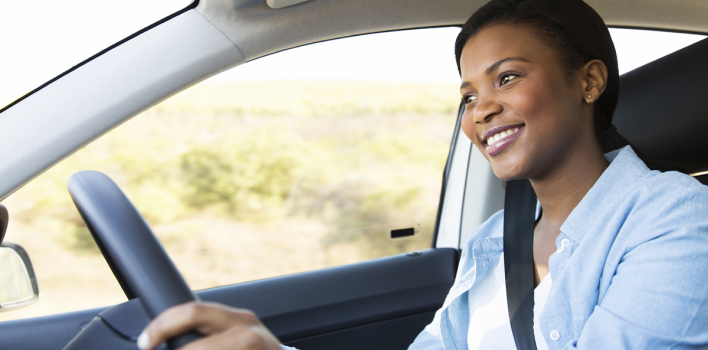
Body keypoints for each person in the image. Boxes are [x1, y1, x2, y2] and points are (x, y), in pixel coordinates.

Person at [136, 0, 708, 349]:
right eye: (467, 94)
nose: (480, 109)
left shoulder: (675, 221)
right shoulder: (491, 242)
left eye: (507, 78)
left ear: (588, 82)